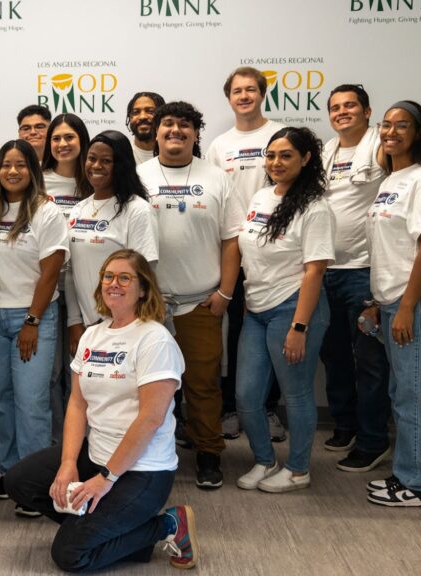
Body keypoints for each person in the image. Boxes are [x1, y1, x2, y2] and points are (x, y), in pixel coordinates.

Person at [6, 249, 197, 571]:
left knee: (70, 556)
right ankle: (115, 531)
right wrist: (68, 464)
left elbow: (150, 419)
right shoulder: (93, 335)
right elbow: (78, 403)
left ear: (143, 289)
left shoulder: (155, 340)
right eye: (108, 276)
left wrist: (106, 478)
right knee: (19, 481)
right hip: (96, 455)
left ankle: (167, 524)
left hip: (142, 471)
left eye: (125, 277)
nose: (114, 283)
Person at [137, 102, 240, 490]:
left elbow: (232, 240)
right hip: (148, 304)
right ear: (157, 132)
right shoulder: (138, 175)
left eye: (184, 125)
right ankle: (146, 455)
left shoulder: (217, 177)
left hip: (201, 300)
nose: (175, 130)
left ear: (196, 134)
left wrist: (225, 294)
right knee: (148, 384)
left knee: (203, 383)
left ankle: (209, 453)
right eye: (168, 124)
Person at [363, 101, 421, 507]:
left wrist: (404, 306)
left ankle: (418, 485)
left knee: (416, 394)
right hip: (395, 300)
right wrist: (377, 302)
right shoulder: (391, 180)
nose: (392, 132)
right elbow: (391, 248)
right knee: (403, 392)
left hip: (420, 302)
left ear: (418, 134)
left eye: (403, 125)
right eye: (387, 125)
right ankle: (407, 473)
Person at [235, 126, 334, 493]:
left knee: (296, 394)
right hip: (257, 310)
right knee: (246, 395)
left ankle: (297, 470)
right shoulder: (262, 196)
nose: (276, 162)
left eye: (286, 155)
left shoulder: (315, 207)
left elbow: (315, 270)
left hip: (294, 309)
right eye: (272, 155)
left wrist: (300, 327)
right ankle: (264, 459)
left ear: (306, 159)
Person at [0, 139, 68, 514]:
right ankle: (11, 471)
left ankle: (35, 481)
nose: (12, 171)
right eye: (5, 165)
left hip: (33, 317)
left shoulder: (47, 213)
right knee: (2, 397)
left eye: (21, 165)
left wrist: (32, 320)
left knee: (32, 403)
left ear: (33, 170)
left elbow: (50, 273)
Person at [206, 67, 288, 442]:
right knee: (233, 332)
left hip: (274, 252)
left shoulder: (279, 135)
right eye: (237, 91)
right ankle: (232, 409)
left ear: (262, 94)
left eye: (250, 90)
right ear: (229, 98)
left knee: (270, 332)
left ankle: (268, 408)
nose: (244, 96)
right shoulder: (219, 145)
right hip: (231, 250)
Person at [319, 85, 392, 472]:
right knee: (333, 357)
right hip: (327, 270)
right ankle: (345, 425)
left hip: (364, 272)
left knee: (370, 361)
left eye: (350, 106)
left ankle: (372, 440)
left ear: (367, 111)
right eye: (335, 107)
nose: (342, 112)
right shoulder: (327, 151)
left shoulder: (379, 145)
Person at [66, 130, 157, 330]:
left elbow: (144, 274)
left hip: (126, 324)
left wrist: (112, 320)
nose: (96, 166)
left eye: (106, 161)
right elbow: (70, 272)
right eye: (91, 159)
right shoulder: (78, 210)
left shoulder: (137, 210)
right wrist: (74, 322)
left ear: (121, 166)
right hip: (86, 326)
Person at [40, 113, 91, 442]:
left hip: (85, 292)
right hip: (44, 292)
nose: (62, 144)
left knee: (81, 372)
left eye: (69, 137)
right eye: (56, 138)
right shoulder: (38, 181)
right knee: (50, 373)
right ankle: (57, 443)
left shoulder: (94, 179)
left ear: (82, 141)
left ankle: (85, 441)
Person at [126, 91, 165, 166]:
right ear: (130, 118)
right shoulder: (121, 155)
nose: (142, 117)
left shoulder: (175, 154)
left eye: (150, 111)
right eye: (136, 112)